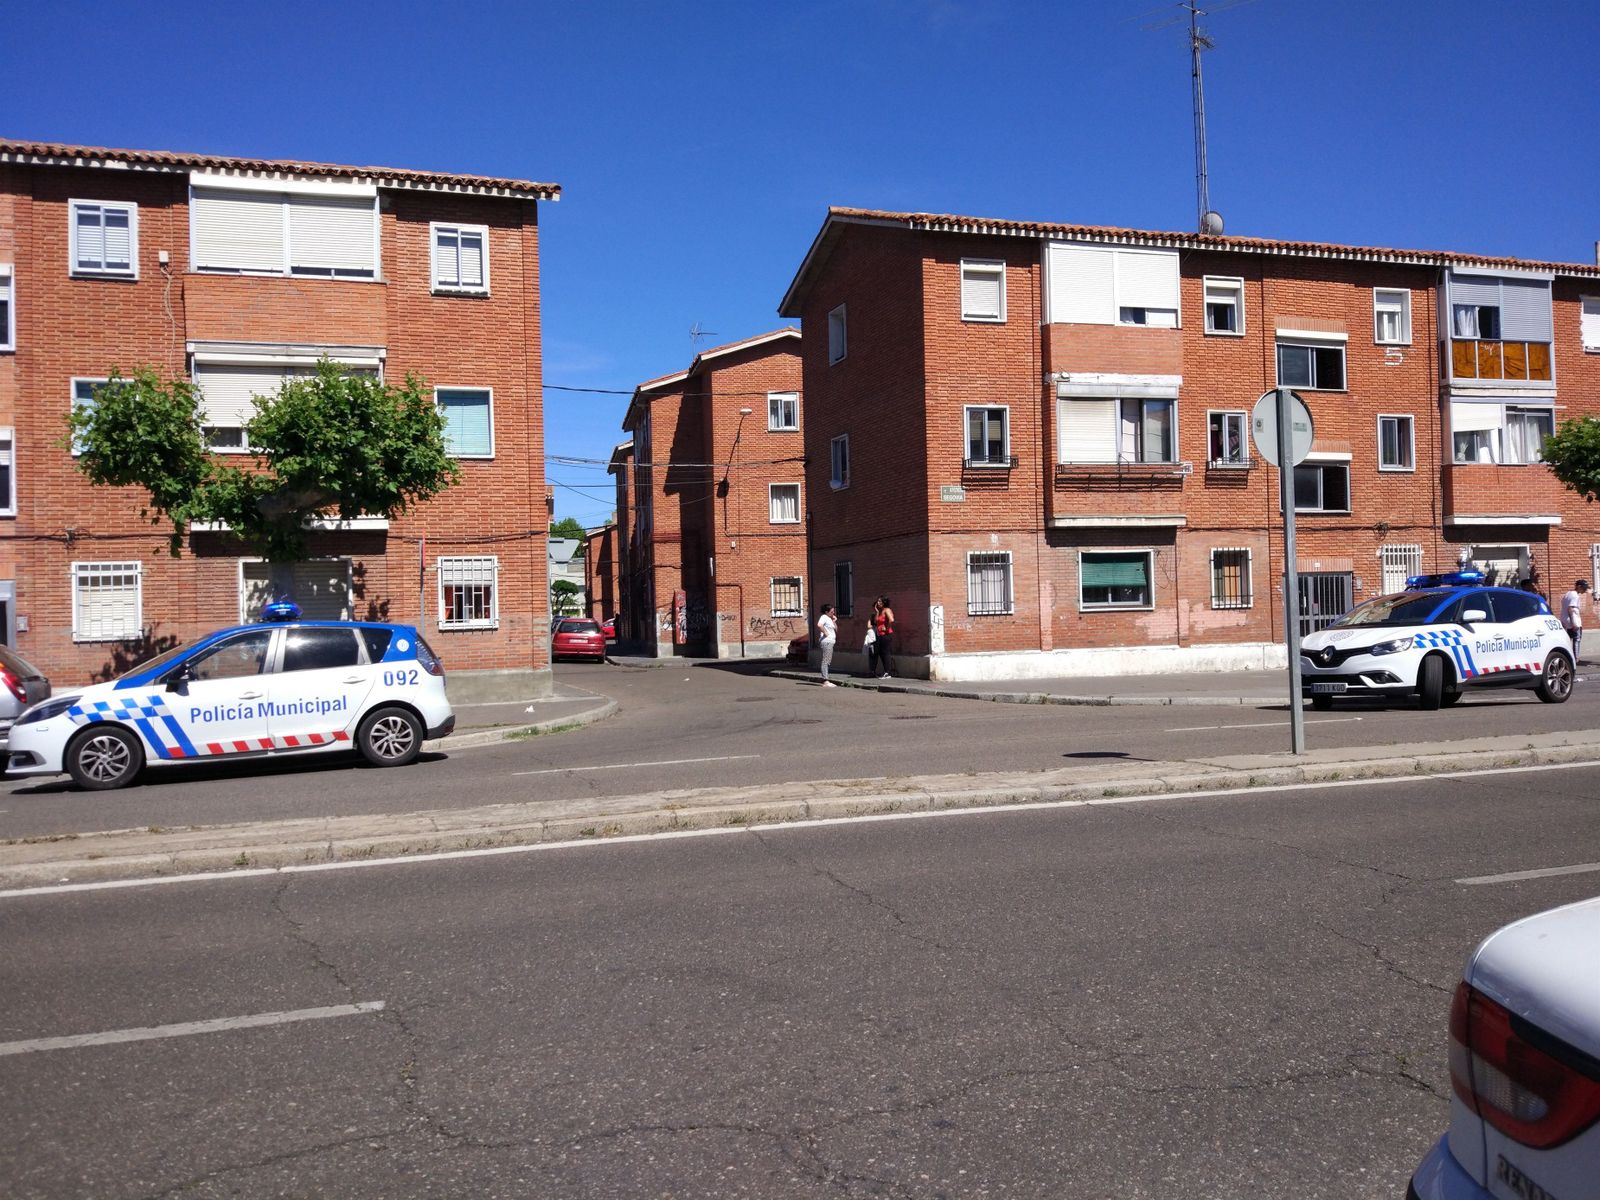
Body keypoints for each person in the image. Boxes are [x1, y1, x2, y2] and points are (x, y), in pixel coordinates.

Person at [1560, 580, 1588, 662]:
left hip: (1565, 620)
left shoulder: (1568, 594)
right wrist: (1574, 623)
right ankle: (1575, 658)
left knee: (1568, 639)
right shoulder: (1575, 596)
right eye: (1584, 588)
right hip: (1573, 620)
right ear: (1579, 586)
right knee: (1577, 639)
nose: (1585, 590)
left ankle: (1568, 657)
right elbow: (1570, 608)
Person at [873, 595, 896, 678]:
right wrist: (877, 611)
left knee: (886, 653)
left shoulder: (887, 610)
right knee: (881, 653)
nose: (878, 603)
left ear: (884, 602)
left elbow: (891, 620)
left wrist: (887, 628)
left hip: (886, 635)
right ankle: (886, 671)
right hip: (880, 635)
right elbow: (876, 621)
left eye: (879, 601)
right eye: (877, 601)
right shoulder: (880, 611)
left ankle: (887, 672)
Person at [816, 604, 837, 686]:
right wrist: (826, 633)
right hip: (827, 641)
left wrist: (834, 621)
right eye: (831, 611)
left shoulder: (829, 619)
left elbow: (836, 630)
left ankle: (826, 679)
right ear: (826, 612)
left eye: (833, 611)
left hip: (830, 641)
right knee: (826, 661)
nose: (833, 613)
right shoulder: (824, 617)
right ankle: (825, 680)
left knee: (827, 660)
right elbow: (819, 625)